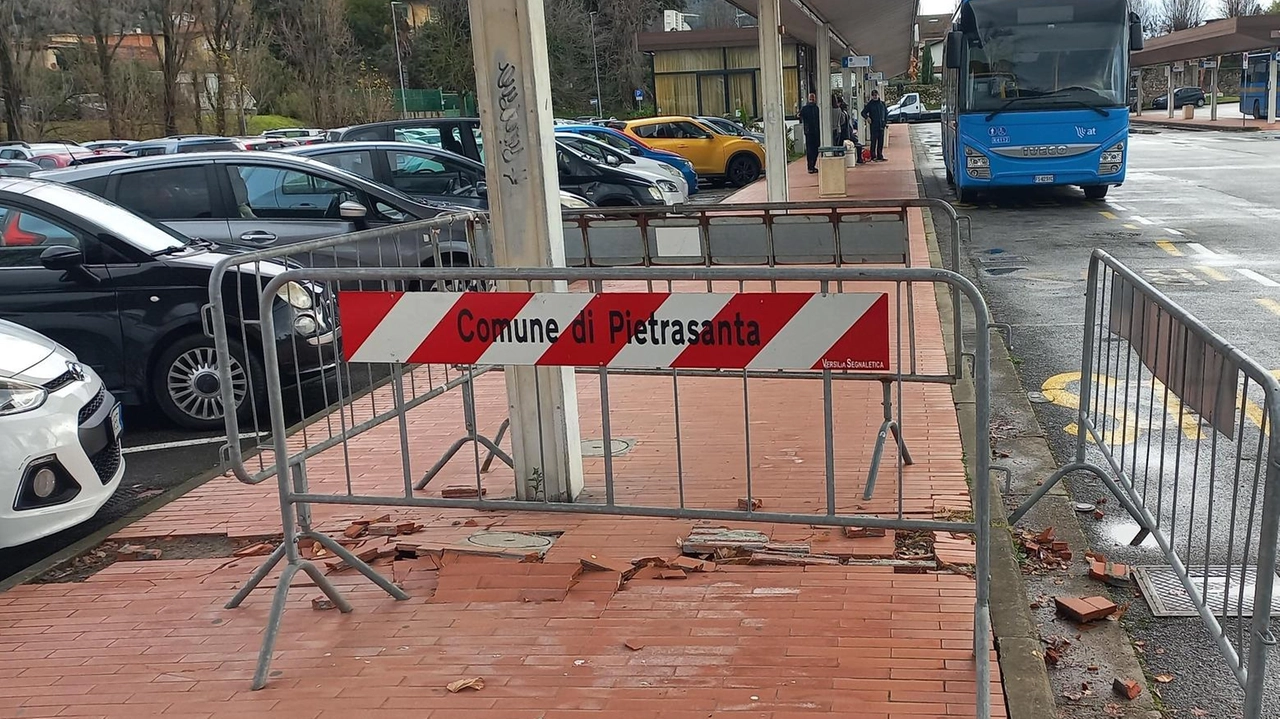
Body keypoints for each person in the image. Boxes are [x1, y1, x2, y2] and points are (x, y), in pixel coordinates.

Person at [861, 90, 889, 162]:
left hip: (881, 125)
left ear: (878, 95)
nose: (875, 96)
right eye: (873, 95)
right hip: (874, 125)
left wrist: (885, 122)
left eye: (876, 95)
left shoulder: (882, 104)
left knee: (881, 141)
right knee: (873, 141)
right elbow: (863, 112)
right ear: (872, 96)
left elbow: (886, 113)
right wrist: (867, 118)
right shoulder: (870, 104)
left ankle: (880, 155)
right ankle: (873, 156)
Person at [798, 93, 821, 174]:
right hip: (811, 132)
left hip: (812, 132)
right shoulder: (812, 108)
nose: (812, 100)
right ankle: (811, 166)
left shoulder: (816, 108)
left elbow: (799, 115)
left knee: (813, 150)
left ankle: (811, 166)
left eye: (812, 98)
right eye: (811, 98)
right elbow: (798, 115)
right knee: (812, 150)